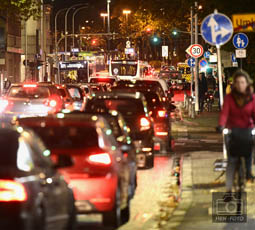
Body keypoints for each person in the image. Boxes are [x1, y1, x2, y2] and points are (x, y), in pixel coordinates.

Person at [218, 70, 255, 195]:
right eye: (237, 82)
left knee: (249, 152)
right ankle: (228, 189)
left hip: (247, 129)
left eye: (242, 82)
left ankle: (249, 173)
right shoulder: (229, 98)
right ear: (234, 84)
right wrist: (221, 125)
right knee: (232, 159)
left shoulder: (252, 97)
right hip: (233, 130)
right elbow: (224, 113)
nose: (240, 85)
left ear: (247, 83)